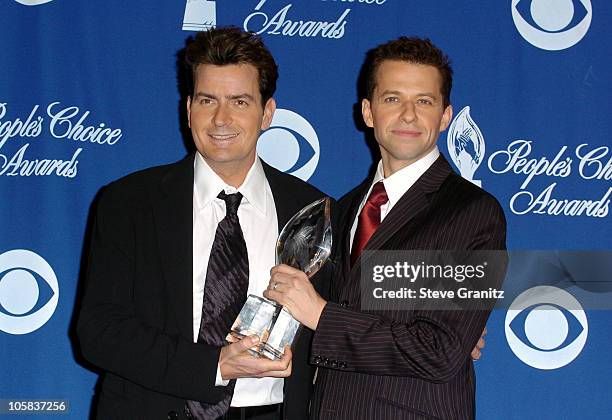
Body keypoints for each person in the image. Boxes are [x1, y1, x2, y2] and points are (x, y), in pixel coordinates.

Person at [77, 27, 330, 420]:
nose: (221, 118)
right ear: (189, 108)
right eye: (208, 100)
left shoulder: (314, 209)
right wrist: (215, 366)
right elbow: (99, 331)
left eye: (240, 101)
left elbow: (341, 325)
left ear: (267, 114)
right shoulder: (128, 202)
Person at [265, 37, 506, 419]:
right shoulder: (342, 210)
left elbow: (440, 351)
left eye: (424, 101)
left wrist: (322, 315)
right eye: (393, 99)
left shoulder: (474, 213)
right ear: (368, 111)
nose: (408, 115)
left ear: (445, 116)